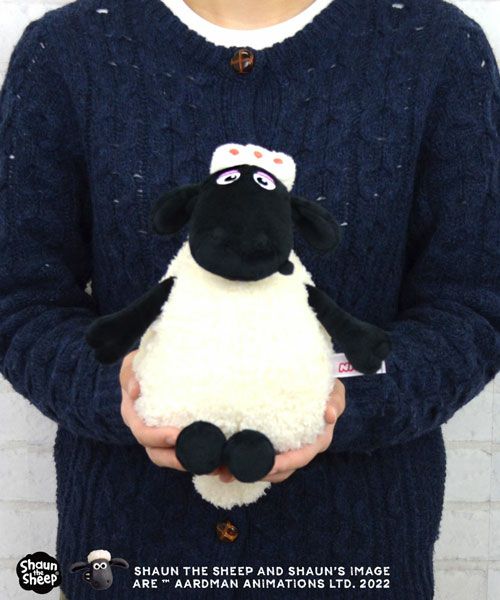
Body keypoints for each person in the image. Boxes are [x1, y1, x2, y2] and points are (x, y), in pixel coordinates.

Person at [0, 0, 498, 598]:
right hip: (130, 558)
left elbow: (473, 304)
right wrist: (126, 389)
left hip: (357, 558)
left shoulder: (435, 49)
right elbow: (20, 299)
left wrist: (336, 402)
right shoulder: (69, 51)